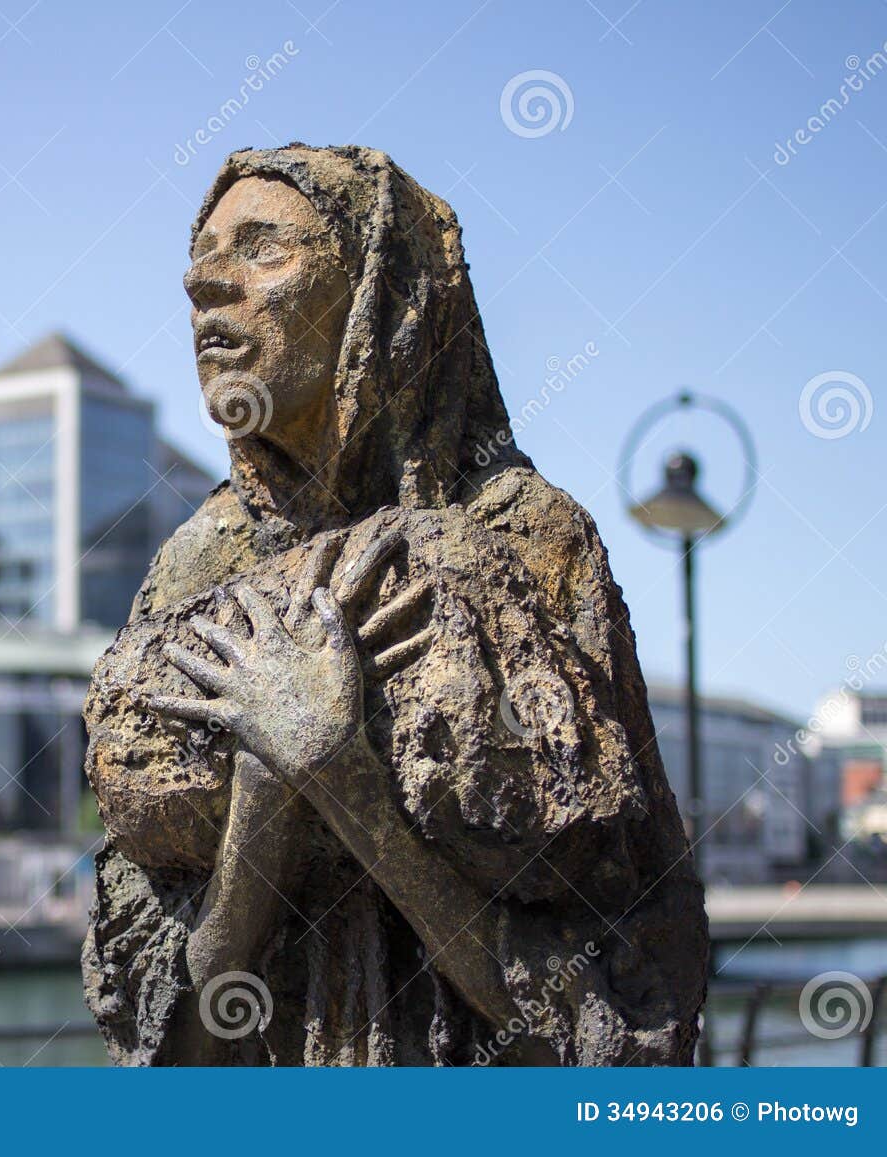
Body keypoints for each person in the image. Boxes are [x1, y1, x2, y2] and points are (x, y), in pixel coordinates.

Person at [81, 146, 707, 1066]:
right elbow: (178, 1041)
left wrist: (343, 776)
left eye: (263, 247)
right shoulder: (195, 569)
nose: (205, 281)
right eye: (204, 252)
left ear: (384, 295)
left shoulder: (525, 538)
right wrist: (266, 782)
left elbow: (608, 1014)